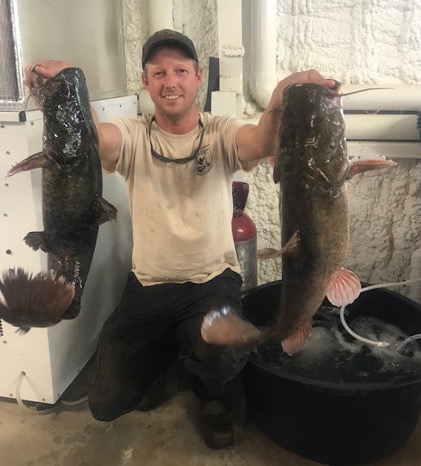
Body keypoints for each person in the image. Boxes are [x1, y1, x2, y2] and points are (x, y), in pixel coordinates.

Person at [25, 29, 337, 449]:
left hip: (213, 279)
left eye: (180, 71)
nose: (170, 81)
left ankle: (211, 394)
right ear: (145, 81)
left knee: (222, 355)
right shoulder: (133, 133)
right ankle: (168, 358)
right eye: (159, 72)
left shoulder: (221, 131)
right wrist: (63, 88)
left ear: (196, 80)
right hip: (149, 282)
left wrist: (282, 93)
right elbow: (92, 137)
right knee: (106, 404)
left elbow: (262, 139)